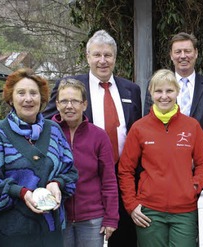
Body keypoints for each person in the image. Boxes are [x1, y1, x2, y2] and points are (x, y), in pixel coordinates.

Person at [44, 29, 142, 246]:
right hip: (85, 178)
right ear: (87, 57)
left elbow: (137, 132)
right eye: (97, 55)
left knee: (124, 236)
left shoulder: (131, 90)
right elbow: (48, 124)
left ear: (115, 58)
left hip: (123, 175)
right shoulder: (71, 88)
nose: (102, 60)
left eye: (108, 55)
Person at [0, 68, 78, 246]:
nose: (28, 99)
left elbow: (71, 172)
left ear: (42, 98)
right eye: (21, 93)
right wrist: (20, 192)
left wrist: (57, 183)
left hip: (51, 230)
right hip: (13, 232)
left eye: (33, 93)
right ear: (11, 98)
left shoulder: (53, 131)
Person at [144, 32, 203, 246]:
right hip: (165, 173)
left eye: (187, 51)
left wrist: (193, 158)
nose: (183, 56)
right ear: (171, 55)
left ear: (196, 53)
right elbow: (149, 128)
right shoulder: (157, 87)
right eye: (178, 51)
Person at [118, 69, 203, 246]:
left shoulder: (192, 126)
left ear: (177, 92)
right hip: (149, 212)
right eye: (158, 91)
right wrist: (131, 204)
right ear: (151, 94)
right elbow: (125, 170)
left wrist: (193, 186)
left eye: (169, 91)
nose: (164, 96)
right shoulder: (139, 128)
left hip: (184, 211)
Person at [51, 78, 119, 247]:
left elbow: (109, 179)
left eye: (75, 101)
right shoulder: (47, 132)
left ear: (84, 104)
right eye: (64, 101)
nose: (69, 106)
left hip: (92, 218)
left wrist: (111, 217)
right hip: (57, 215)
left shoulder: (98, 136)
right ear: (57, 104)